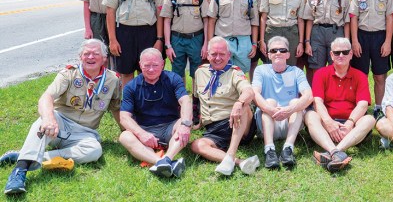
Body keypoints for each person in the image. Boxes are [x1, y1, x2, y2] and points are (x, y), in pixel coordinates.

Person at [1, 39, 121, 196]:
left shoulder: (113, 80)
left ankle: (30, 155)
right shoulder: (69, 74)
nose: (90, 57)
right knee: (41, 124)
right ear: (80, 57)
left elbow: (117, 109)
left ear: (104, 58)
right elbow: (46, 98)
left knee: (95, 151)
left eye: (95, 53)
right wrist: (49, 119)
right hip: (59, 125)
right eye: (86, 53)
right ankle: (19, 171)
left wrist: (126, 132)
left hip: (85, 133)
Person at [190, 37, 260, 176]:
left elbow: (249, 91)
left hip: (237, 123)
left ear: (229, 55)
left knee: (244, 106)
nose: (217, 58)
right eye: (214, 54)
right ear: (207, 54)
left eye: (222, 54)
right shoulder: (200, 72)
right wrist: (196, 122)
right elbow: (196, 99)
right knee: (197, 145)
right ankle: (240, 162)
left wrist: (239, 103)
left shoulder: (235, 72)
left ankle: (230, 154)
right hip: (214, 129)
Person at [118, 48, 192, 178]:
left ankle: (168, 158)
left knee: (184, 122)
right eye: (146, 65)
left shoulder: (173, 79)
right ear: (140, 65)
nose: (151, 69)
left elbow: (186, 101)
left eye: (155, 65)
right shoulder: (131, 86)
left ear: (163, 64)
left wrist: (185, 125)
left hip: (170, 127)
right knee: (124, 136)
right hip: (145, 130)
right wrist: (141, 134)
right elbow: (124, 117)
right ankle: (161, 162)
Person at [305, 38, 376, 173]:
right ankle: (336, 152)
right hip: (327, 125)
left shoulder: (360, 76)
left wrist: (349, 123)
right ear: (331, 55)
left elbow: (362, 104)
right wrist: (328, 122)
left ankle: (335, 151)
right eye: (337, 53)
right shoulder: (321, 74)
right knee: (309, 115)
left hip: (350, 126)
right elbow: (317, 102)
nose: (341, 56)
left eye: (345, 52)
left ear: (351, 54)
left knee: (370, 119)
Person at [103, 0, 166, 87]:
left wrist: (159, 39)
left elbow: (160, 12)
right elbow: (110, 10)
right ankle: (128, 105)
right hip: (124, 32)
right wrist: (113, 39)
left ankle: (145, 105)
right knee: (126, 71)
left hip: (148, 32)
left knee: (147, 71)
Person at [252, 36, 313, 169]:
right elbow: (254, 94)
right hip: (267, 122)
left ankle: (288, 148)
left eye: (282, 50)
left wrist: (289, 110)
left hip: (290, 123)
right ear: (268, 54)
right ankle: (269, 150)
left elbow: (309, 96)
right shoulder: (261, 70)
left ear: (288, 54)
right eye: (274, 51)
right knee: (270, 101)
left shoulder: (296, 72)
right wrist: (270, 109)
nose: (278, 53)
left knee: (296, 101)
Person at [349, 0, 393, 120]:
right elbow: (353, 17)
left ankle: (379, 107)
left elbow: (390, 18)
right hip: (362, 36)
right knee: (360, 75)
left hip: (380, 37)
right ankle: (360, 107)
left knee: (380, 75)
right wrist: (354, 41)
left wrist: (388, 42)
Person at [302, 0, 350, 83]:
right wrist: (307, 42)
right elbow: (309, 20)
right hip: (317, 34)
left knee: (337, 67)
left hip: (336, 33)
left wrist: (347, 43)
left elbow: (347, 22)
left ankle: (333, 98)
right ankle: (317, 98)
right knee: (316, 69)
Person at [207, 0, 259, 73]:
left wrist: (254, 44)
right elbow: (211, 21)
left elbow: (254, 23)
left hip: (243, 41)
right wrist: (210, 43)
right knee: (222, 72)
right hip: (223, 40)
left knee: (241, 73)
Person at [161, 0, 207, 82]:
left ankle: (196, 99)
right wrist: (168, 45)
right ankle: (181, 98)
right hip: (177, 39)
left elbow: (206, 20)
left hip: (196, 38)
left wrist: (206, 43)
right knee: (177, 72)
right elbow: (166, 20)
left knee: (197, 72)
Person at [259, 0, 305, 66]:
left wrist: (301, 43)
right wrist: (261, 40)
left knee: (290, 65)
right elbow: (263, 17)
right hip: (272, 32)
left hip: (291, 33)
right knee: (271, 65)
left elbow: (300, 20)